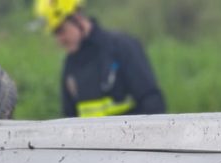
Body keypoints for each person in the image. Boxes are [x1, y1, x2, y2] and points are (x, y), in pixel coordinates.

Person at [33, 0, 166, 118]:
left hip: (132, 143)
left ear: (77, 17)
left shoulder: (121, 47)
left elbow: (153, 103)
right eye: (54, 34)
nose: (59, 40)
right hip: (91, 145)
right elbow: (69, 119)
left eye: (61, 30)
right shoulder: (70, 66)